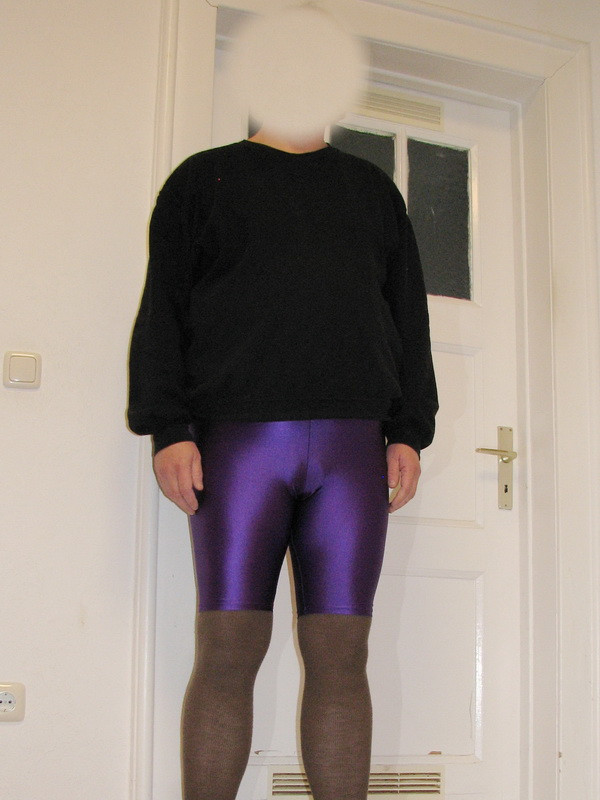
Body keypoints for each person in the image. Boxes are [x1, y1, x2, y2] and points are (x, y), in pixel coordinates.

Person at [127, 8, 438, 800]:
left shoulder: (372, 192)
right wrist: (168, 427)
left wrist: (409, 430)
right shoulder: (203, 182)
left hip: (352, 448)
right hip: (238, 445)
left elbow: (407, 320)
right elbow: (164, 312)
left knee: (342, 659)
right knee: (228, 652)